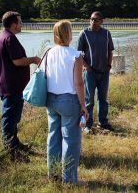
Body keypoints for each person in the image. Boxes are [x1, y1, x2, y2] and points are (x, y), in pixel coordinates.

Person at [44, 20, 89, 183]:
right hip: (69, 100)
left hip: (50, 99)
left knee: (53, 138)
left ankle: (53, 176)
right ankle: (69, 179)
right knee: (70, 140)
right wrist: (83, 105)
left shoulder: (48, 52)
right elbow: (78, 83)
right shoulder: (75, 55)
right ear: (68, 34)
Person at [0, 11, 41, 160]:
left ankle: (15, 144)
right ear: (14, 24)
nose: (22, 25)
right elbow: (17, 61)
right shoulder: (9, 39)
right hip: (11, 86)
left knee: (13, 118)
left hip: (9, 85)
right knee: (9, 118)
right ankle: (11, 151)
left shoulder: (3, 37)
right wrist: (34, 59)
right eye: (20, 22)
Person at [77, 11, 114, 133]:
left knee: (103, 99)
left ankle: (103, 122)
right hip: (89, 73)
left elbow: (110, 51)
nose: (93, 21)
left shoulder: (107, 34)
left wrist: (109, 65)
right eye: (92, 19)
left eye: (96, 19)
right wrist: (86, 67)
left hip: (104, 72)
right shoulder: (84, 33)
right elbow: (79, 54)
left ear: (101, 21)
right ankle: (87, 125)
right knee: (88, 100)